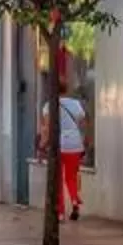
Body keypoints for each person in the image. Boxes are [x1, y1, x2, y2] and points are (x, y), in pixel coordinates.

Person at [42, 88, 87, 221]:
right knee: (71, 177)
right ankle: (74, 201)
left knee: (57, 180)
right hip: (75, 144)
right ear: (66, 89)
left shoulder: (49, 105)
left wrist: (43, 144)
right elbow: (83, 123)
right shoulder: (75, 104)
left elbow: (47, 128)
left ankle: (60, 213)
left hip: (59, 145)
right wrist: (84, 141)